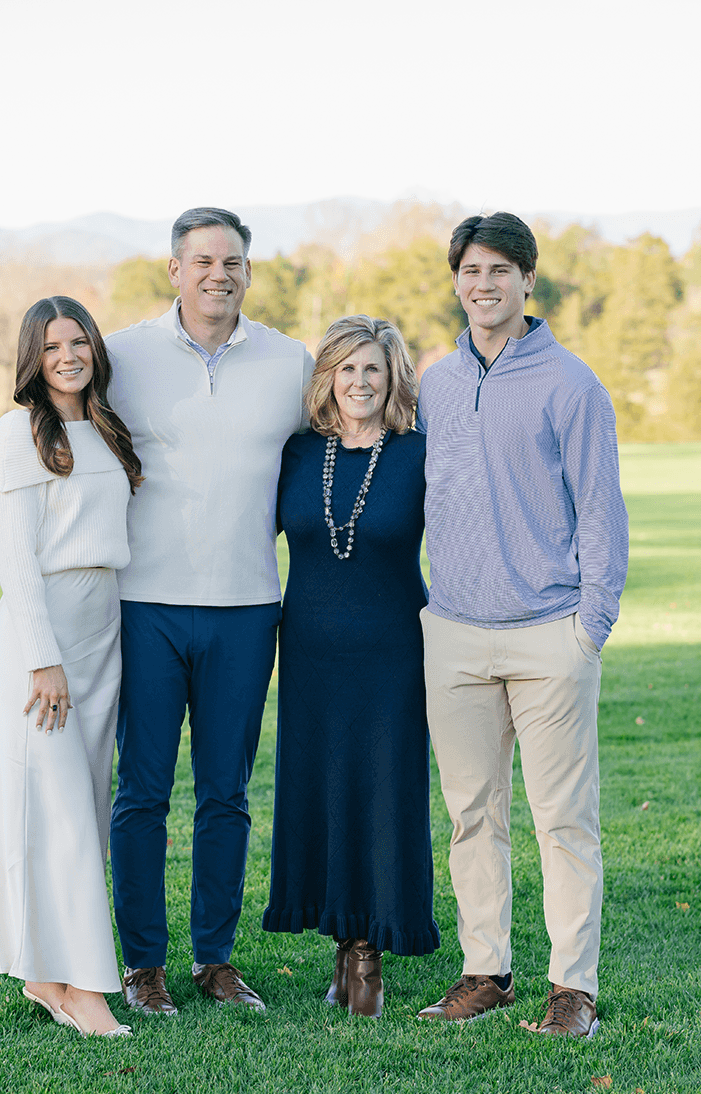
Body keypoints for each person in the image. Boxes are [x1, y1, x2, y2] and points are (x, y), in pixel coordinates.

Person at [415, 213, 628, 1039]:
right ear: (457, 280)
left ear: (528, 281)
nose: (484, 285)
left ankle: (572, 987)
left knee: (563, 820)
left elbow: (602, 513)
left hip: (549, 633)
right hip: (457, 632)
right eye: (471, 271)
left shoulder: (571, 385)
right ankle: (486, 971)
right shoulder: (434, 382)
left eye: (501, 270)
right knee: (472, 815)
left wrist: (589, 628)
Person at [104, 207, 315, 1015]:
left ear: (249, 272)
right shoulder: (122, 355)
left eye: (232, 261)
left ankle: (215, 961)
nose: (218, 274)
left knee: (226, 792)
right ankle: (143, 965)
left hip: (246, 608)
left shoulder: (288, 362)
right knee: (143, 791)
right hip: (145, 603)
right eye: (202, 261)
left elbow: (341, 443)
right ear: (174, 270)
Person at [0, 296, 145, 1039]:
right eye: (51, 347)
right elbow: (16, 559)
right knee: (62, 812)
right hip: (46, 642)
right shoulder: (18, 434)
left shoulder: (104, 426)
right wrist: (43, 660)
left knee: (82, 812)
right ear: (31, 361)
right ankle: (84, 990)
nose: (68, 356)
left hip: (104, 630)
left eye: (79, 342)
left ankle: (47, 974)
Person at [263, 316, 438, 1018]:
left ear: (392, 377)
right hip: (308, 653)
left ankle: (368, 955)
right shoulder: (300, 454)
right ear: (327, 379)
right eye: (347, 369)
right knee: (322, 792)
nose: (360, 382)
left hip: (393, 651)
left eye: (373, 369)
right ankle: (339, 941)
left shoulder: (420, 453)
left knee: (382, 794)